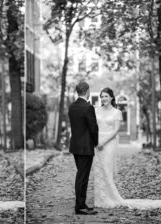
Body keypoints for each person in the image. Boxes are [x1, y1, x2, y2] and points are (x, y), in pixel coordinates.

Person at [94, 87, 161, 209]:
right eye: (102, 96)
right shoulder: (96, 111)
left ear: (111, 97)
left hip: (109, 143)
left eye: (106, 96)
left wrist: (103, 142)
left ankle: (111, 198)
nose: (103, 98)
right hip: (97, 143)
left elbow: (116, 131)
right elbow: (93, 127)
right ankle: (100, 198)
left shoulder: (117, 112)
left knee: (106, 169)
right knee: (99, 171)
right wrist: (96, 141)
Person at [68, 81, 99, 215]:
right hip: (86, 147)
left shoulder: (72, 106)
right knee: (83, 176)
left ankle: (81, 204)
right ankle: (80, 206)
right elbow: (93, 127)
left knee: (81, 174)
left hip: (75, 146)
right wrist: (96, 142)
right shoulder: (88, 107)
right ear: (87, 91)